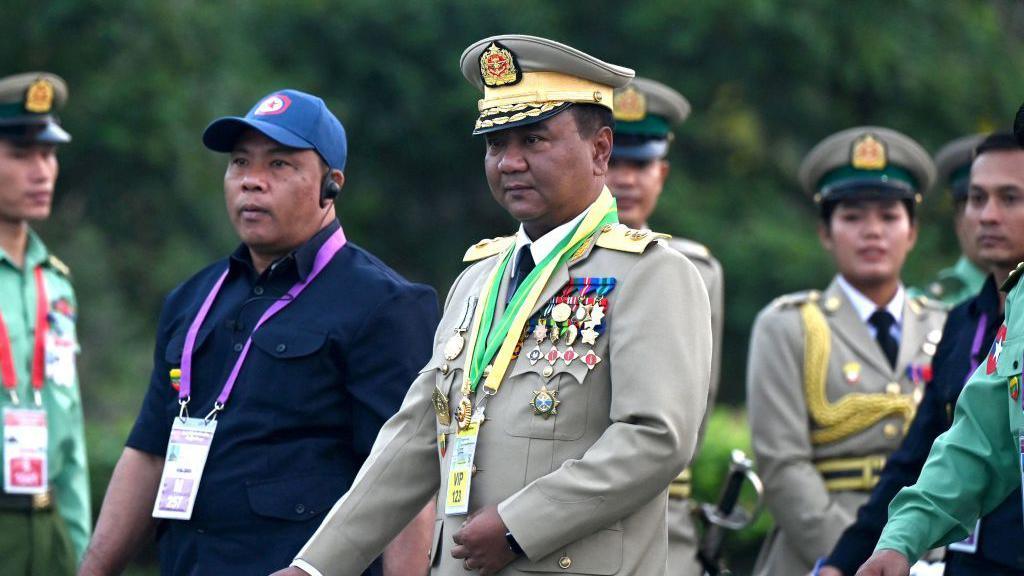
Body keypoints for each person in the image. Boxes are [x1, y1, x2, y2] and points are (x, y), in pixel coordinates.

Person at [273, 34, 713, 576]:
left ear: (600, 150)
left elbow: (656, 439)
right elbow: (415, 435)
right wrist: (315, 566)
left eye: (533, 140)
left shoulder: (651, 275)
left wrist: (518, 524)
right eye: (495, 144)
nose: (509, 163)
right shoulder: (478, 279)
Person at [78, 89, 439, 576]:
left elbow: (405, 480)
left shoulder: (384, 304)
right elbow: (149, 450)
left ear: (330, 185)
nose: (251, 182)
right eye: (240, 163)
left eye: (279, 166)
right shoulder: (192, 298)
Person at [819, 133, 1024, 576]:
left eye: (1010, 198)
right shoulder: (963, 322)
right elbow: (952, 447)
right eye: (976, 198)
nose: (987, 216)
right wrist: (855, 555)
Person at [746, 126, 947, 576]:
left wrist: (921, 555)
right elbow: (783, 466)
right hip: (819, 558)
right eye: (853, 217)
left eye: (889, 217)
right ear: (825, 231)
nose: (872, 232)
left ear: (912, 231)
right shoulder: (787, 326)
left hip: (932, 555)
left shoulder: (948, 325)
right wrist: (853, 557)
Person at [605, 76, 723, 574]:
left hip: (663, 512)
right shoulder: (535, 265)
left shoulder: (696, 269)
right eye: (614, 162)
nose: (627, 179)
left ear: (663, 172)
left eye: (642, 164)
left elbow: (695, 406)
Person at [0, 71, 90, 575]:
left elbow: (70, 428)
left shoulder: (55, 284)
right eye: (21, 155)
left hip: (49, 523)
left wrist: (82, 550)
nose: (43, 171)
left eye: (49, 154)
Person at [910, 134, 989, 306]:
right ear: (958, 221)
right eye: (977, 202)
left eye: (1010, 199)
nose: (990, 216)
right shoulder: (922, 308)